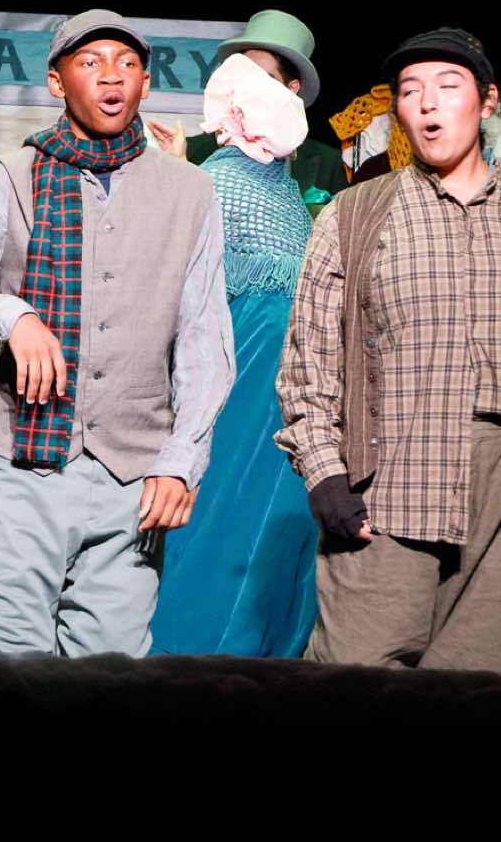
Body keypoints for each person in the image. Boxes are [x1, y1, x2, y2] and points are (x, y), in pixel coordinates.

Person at [276, 27, 501, 673]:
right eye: (410, 91)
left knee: (484, 683)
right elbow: (310, 358)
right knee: (356, 673)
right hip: (390, 479)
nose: (428, 103)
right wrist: (324, 471)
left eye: (448, 85)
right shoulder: (356, 214)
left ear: (488, 101)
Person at [0, 10, 234, 657]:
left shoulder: (190, 191)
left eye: (126, 64)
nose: (110, 76)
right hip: (25, 462)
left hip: (135, 473)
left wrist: (181, 460)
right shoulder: (12, 177)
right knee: (4, 655)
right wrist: (10, 315)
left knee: (109, 666)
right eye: (90, 62)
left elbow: (205, 341)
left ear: (145, 82)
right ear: (57, 80)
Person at [150, 51, 320, 656]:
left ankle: (269, 651)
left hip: (297, 368)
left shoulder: (287, 191)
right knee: (229, 501)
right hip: (243, 359)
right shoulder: (214, 179)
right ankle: (200, 649)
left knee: (284, 508)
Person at [148, 8, 348, 209]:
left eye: (265, 78)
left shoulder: (328, 163)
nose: (251, 86)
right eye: (244, 73)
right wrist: (179, 170)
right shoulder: (193, 153)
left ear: (292, 89)